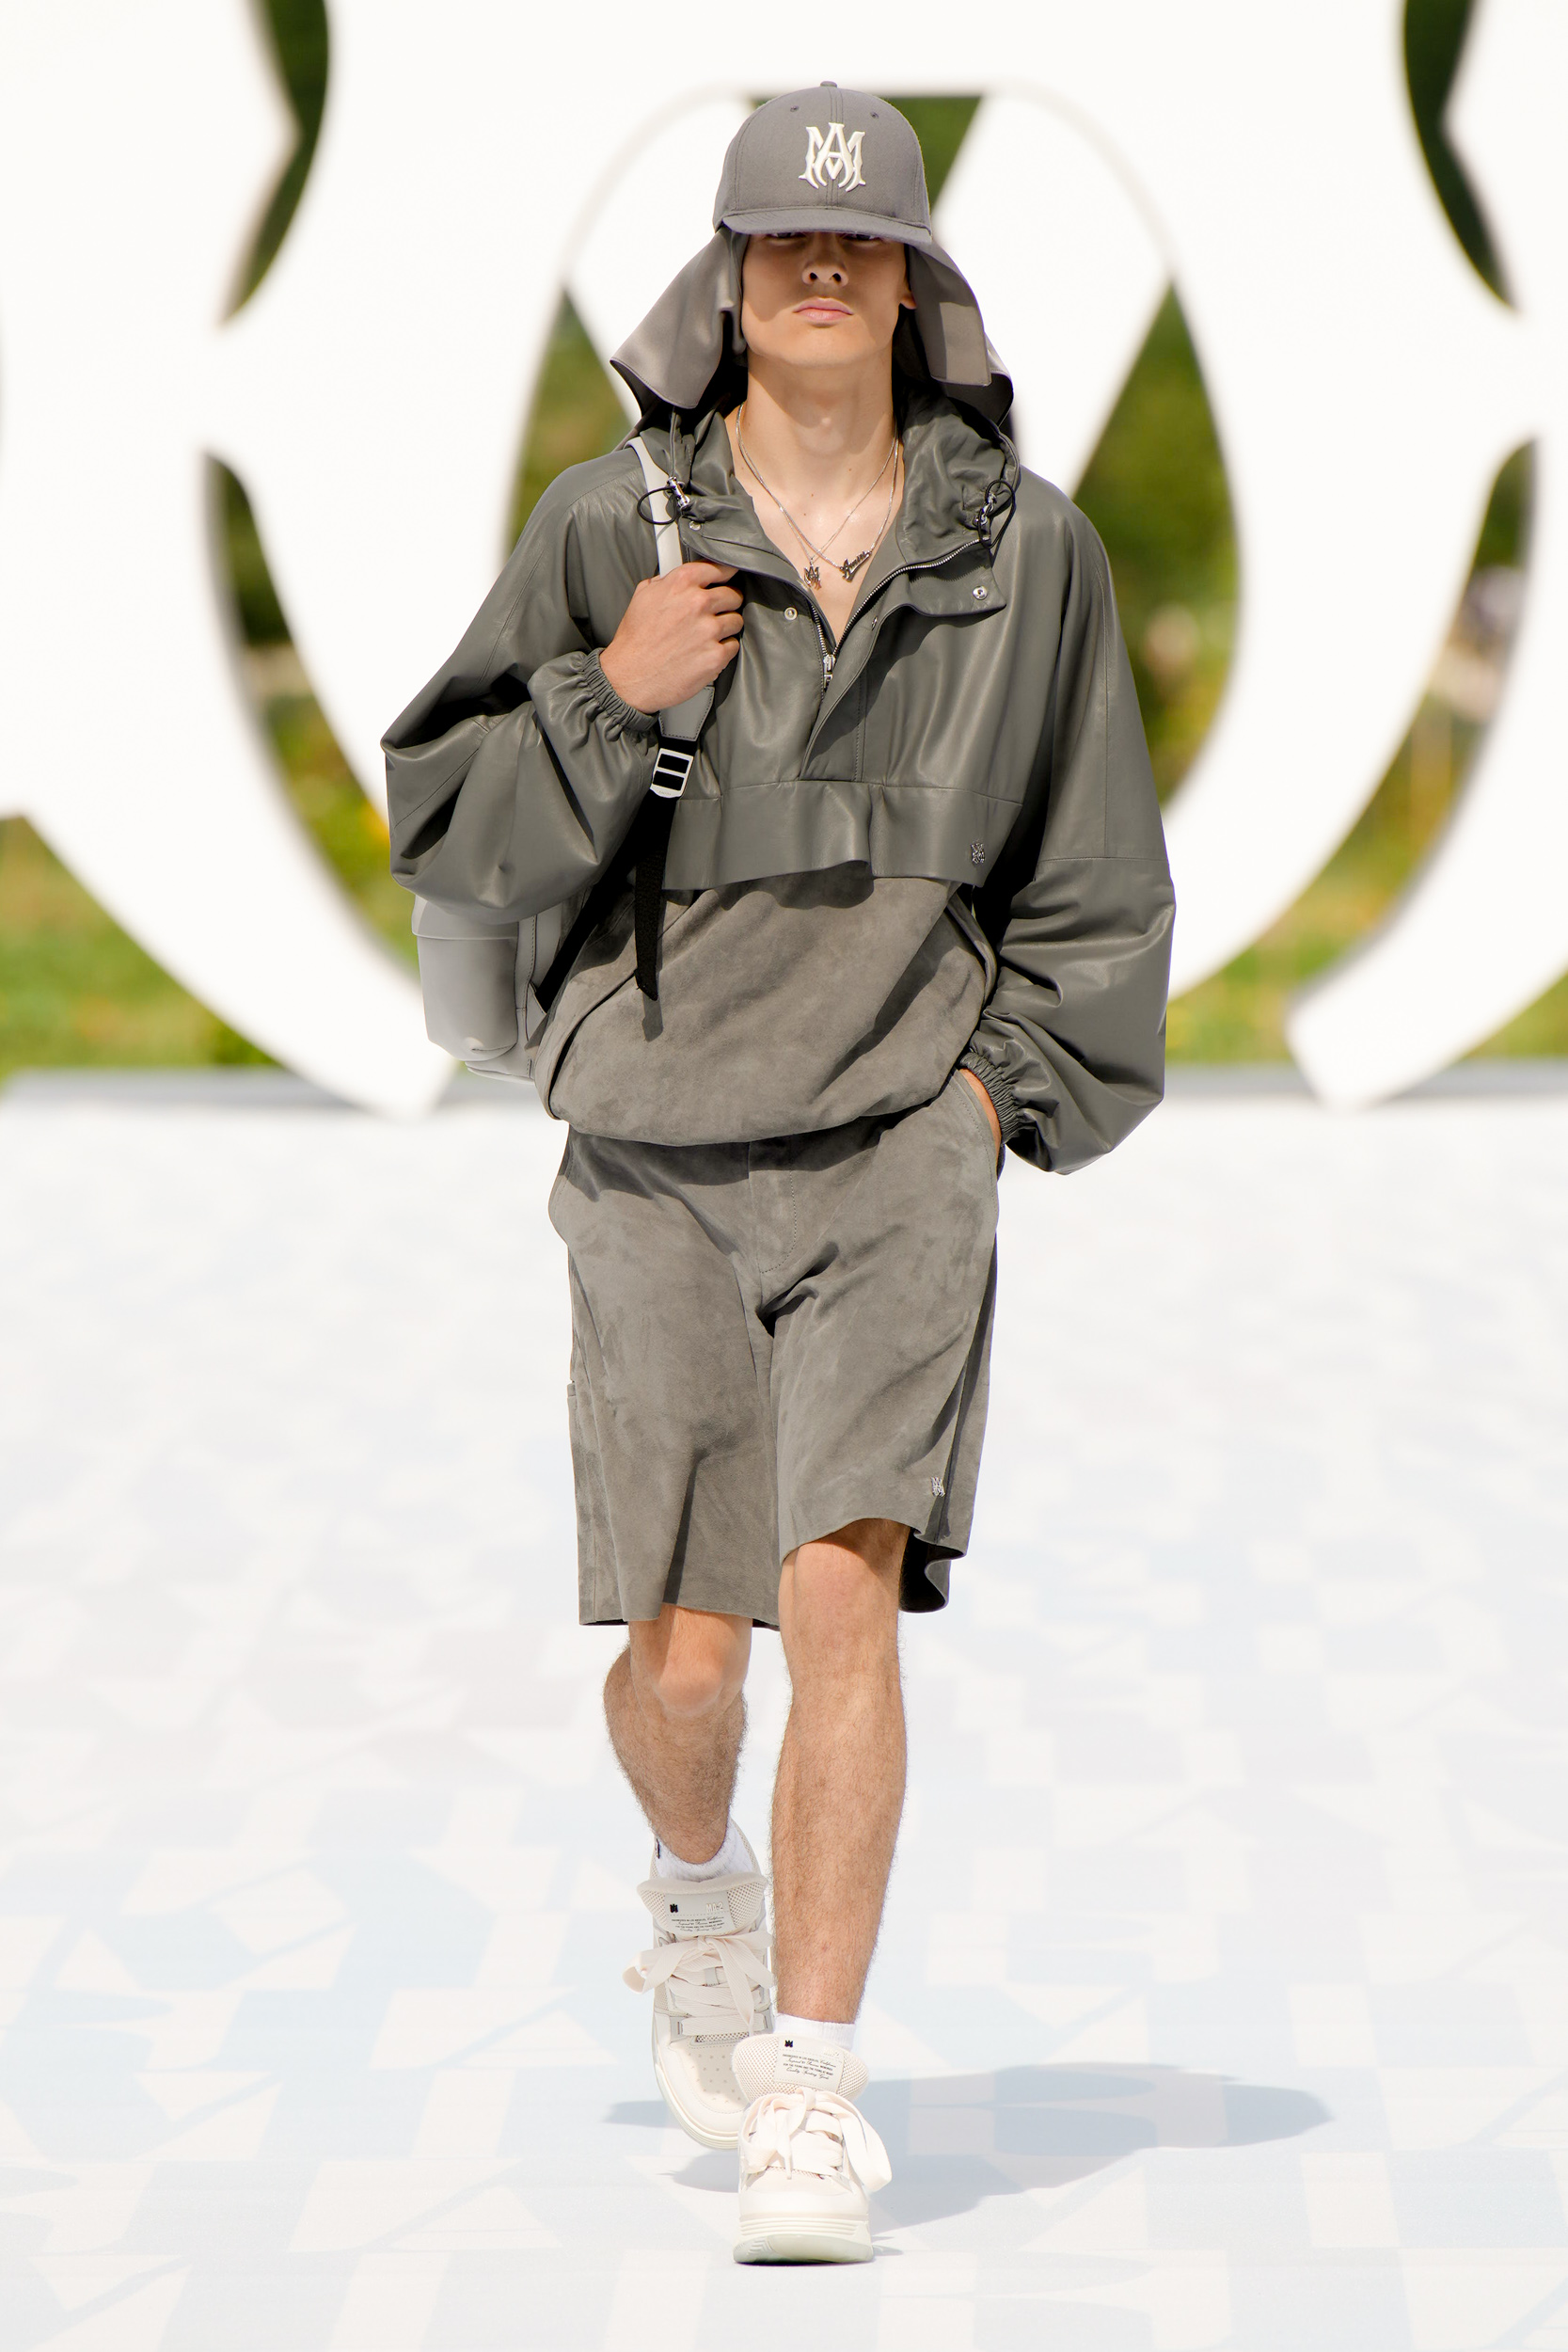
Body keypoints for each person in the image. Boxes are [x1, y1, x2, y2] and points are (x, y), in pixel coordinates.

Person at [385, 85, 1173, 2265]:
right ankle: (696, 1888)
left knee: (842, 1594)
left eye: (862, 243)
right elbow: (440, 823)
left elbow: (1096, 879)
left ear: (914, 282)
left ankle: (811, 2091)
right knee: (689, 1664)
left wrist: (989, 1102)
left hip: (900, 1145)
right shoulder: (607, 527)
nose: (824, 269)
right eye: (784, 242)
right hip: (651, 1151)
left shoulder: (1032, 556)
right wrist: (604, 693)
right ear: (731, 279)